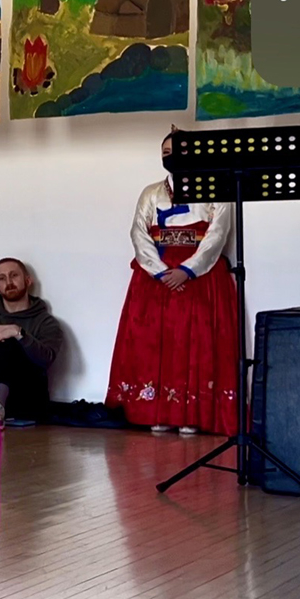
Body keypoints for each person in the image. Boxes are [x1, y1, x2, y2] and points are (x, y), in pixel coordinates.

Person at [106, 132, 240, 436]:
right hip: (156, 278)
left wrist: (188, 271)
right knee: (155, 344)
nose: (171, 155)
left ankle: (192, 413)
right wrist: (159, 271)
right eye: (166, 150)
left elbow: (218, 234)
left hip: (200, 278)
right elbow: (138, 232)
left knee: (197, 343)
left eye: (177, 150)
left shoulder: (217, 189)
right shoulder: (151, 192)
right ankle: (157, 410)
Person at [0, 259, 66, 426]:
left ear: (28, 281)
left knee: (8, 343)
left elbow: (46, 359)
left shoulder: (45, 322)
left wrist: (18, 333)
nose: (8, 282)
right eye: (2, 278)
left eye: (14, 275)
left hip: (24, 399)